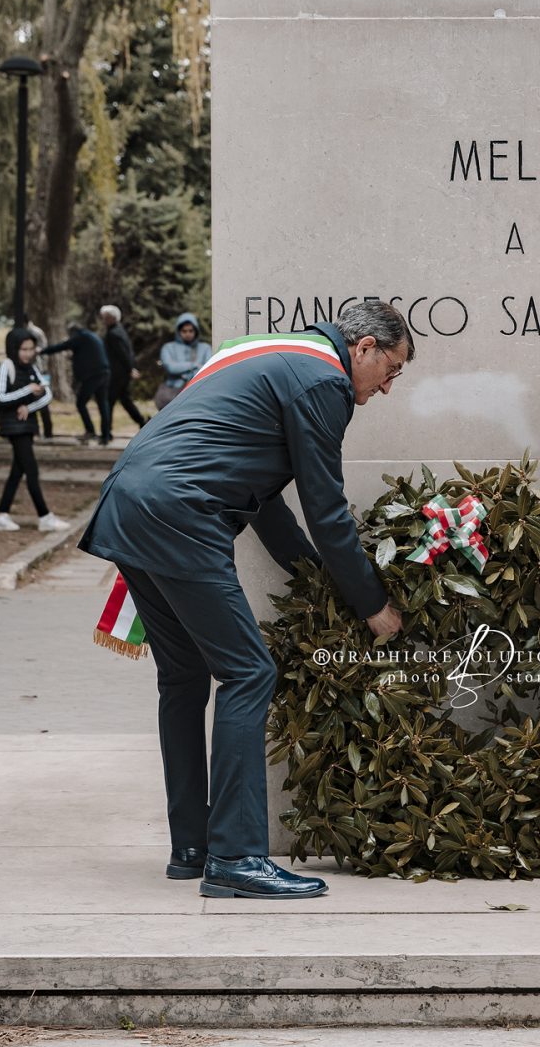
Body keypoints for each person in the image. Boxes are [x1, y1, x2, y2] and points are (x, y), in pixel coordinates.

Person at [80, 302, 413, 901]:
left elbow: (266, 503)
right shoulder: (323, 382)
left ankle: (192, 847)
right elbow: (327, 509)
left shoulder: (271, 354)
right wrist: (370, 603)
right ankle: (236, 857)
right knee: (249, 672)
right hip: (179, 514)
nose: (388, 387)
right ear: (362, 348)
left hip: (131, 500)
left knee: (183, 677)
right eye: (392, 369)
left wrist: (314, 578)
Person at [0, 327, 69, 534]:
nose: (27, 353)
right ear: (14, 348)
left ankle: (1, 515)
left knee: (17, 471)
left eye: (31, 349)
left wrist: (29, 407)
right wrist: (27, 391)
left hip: (28, 424)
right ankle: (44, 516)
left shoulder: (32, 369)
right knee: (31, 470)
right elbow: (1, 397)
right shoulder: (5, 367)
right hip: (13, 426)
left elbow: (47, 395)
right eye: (23, 349)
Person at [42, 324, 112, 445]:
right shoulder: (91, 336)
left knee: (81, 403)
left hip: (92, 376)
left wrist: (42, 351)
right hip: (104, 373)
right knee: (102, 404)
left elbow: (62, 346)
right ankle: (105, 435)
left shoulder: (80, 337)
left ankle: (90, 431)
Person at [100, 305, 146, 432]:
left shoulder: (113, 333)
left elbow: (123, 353)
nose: (103, 320)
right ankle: (142, 421)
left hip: (118, 374)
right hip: (121, 373)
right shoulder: (118, 330)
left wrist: (130, 369)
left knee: (109, 401)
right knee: (125, 400)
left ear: (113, 318)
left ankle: (106, 432)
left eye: (106, 317)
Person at [156, 313, 212, 409]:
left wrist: (184, 370)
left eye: (191, 330)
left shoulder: (205, 348)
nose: (188, 334)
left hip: (198, 393)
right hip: (172, 394)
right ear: (179, 331)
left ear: (196, 331)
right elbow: (171, 367)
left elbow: (207, 368)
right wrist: (194, 365)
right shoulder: (169, 347)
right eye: (184, 331)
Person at [23, 316, 54, 439]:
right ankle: (37, 431)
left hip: (39, 370)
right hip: (39, 370)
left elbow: (41, 350)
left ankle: (46, 432)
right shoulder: (32, 331)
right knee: (33, 400)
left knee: (42, 401)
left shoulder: (33, 332)